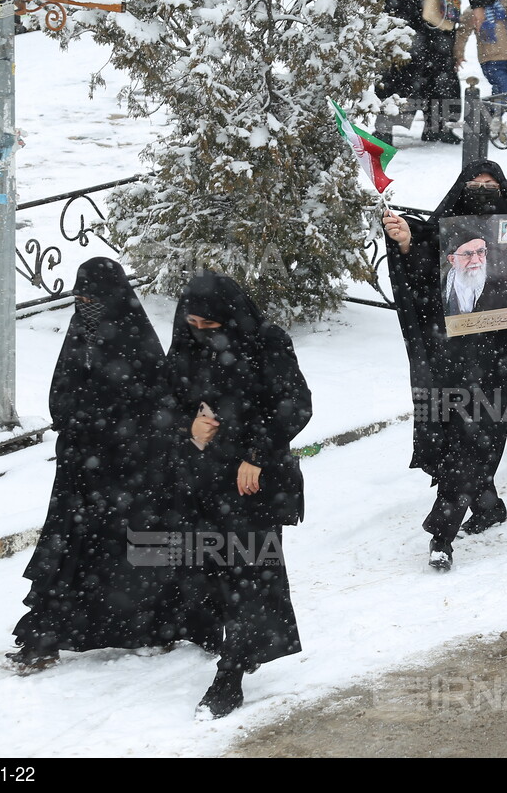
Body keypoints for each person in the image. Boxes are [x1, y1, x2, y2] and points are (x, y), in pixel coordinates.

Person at [9, 258, 171, 673]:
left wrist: (112, 432)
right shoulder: (81, 331)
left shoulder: (136, 340)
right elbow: (63, 390)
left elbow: (152, 403)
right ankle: (47, 635)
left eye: (91, 297)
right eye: (79, 297)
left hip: (126, 470)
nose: (83, 304)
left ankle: (146, 627)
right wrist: (74, 425)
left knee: (122, 548)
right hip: (81, 468)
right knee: (72, 547)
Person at [162, 272, 312, 718]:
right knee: (215, 571)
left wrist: (256, 454)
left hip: (253, 482)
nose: (204, 336)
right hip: (201, 479)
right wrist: (187, 428)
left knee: (252, 573)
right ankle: (232, 642)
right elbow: (164, 400)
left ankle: (230, 675)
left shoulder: (266, 340)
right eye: (195, 326)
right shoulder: (186, 341)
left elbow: (295, 403)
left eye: (213, 327)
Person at [382, 161, 507, 570]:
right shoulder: (440, 235)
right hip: (447, 361)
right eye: (474, 183)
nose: (482, 189)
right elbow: (418, 282)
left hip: (495, 362)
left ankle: (442, 535)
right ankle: (488, 507)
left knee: (477, 441)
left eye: (491, 184)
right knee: (454, 440)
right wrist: (406, 245)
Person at [375, 0, 476, 145]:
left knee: (440, 66)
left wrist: (476, 0)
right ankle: (387, 127)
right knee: (399, 66)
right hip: (402, 9)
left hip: (437, 7)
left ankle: (438, 126)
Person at [441, 227, 507, 314]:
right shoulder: (442, 285)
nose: (475, 260)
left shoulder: (501, 286)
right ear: (452, 260)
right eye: (467, 254)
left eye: (480, 251)